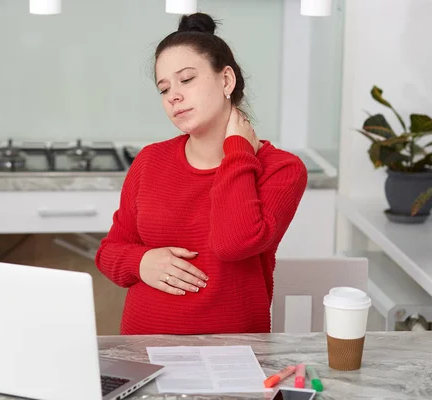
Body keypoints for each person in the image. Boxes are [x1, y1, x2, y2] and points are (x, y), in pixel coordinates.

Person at [95, 12, 308, 335]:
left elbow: (234, 244)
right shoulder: (150, 160)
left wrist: (237, 151)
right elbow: (109, 252)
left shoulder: (282, 169)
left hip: (234, 356)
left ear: (226, 80)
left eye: (187, 79)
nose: (173, 96)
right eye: (164, 89)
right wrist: (140, 262)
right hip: (143, 351)